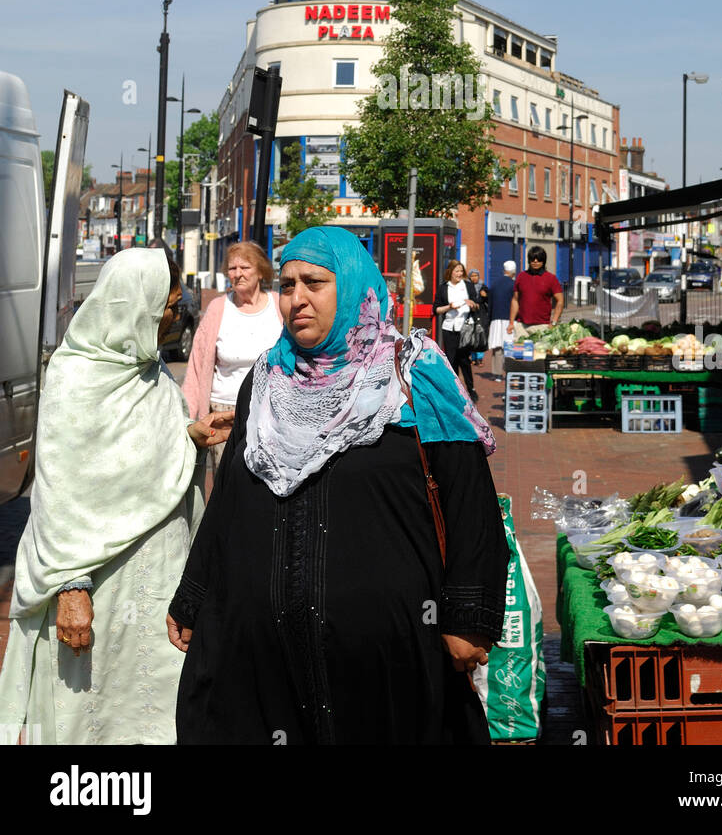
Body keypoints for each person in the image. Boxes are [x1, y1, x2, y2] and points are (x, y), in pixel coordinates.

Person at [167, 225, 508, 746]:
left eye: (314, 284)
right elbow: (232, 497)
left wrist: (468, 615)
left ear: (350, 286)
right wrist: (193, 595)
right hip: (270, 660)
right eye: (286, 285)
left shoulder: (413, 374)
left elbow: (469, 500)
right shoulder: (265, 380)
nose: (296, 300)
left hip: (389, 657)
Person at [0, 248, 233, 745]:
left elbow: (135, 460)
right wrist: (69, 587)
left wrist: (187, 435)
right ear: (136, 308)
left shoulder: (148, 372)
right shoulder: (74, 377)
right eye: (167, 307)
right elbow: (61, 493)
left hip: (157, 591)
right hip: (97, 592)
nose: (174, 317)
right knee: (93, 717)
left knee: (155, 711)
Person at [181, 241, 282, 474]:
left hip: (270, 410)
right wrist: (188, 419)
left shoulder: (278, 305)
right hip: (223, 412)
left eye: (244, 267)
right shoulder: (218, 308)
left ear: (260, 271)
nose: (237, 274)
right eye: (232, 268)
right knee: (226, 483)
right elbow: (197, 368)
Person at [433, 260, 481, 402]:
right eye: (457, 271)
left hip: (465, 328)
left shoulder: (468, 285)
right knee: (451, 360)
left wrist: (472, 305)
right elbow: (436, 309)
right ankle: (453, 390)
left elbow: (477, 306)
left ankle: (471, 389)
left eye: (461, 271)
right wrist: (449, 307)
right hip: (449, 328)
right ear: (450, 272)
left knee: (465, 361)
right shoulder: (443, 288)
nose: (460, 274)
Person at [508, 246, 564, 333]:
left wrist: (554, 322)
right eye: (532, 259)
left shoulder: (551, 278)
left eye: (539, 259)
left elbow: (560, 300)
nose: (535, 261)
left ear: (544, 261)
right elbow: (515, 300)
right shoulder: (521, 277)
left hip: (542, 326)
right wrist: (511, 323)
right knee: (519, 346)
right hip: (521, 326)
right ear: (529, 260)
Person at [487, 260, 518, 379]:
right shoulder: (514, 285)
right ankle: (510, 372)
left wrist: (489, 319)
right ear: (513, 272)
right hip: (510, 319)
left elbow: (490, 303)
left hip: (495, 319)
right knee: (509, 347)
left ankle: (497, 374)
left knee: (497, 347)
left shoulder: (494, 284)